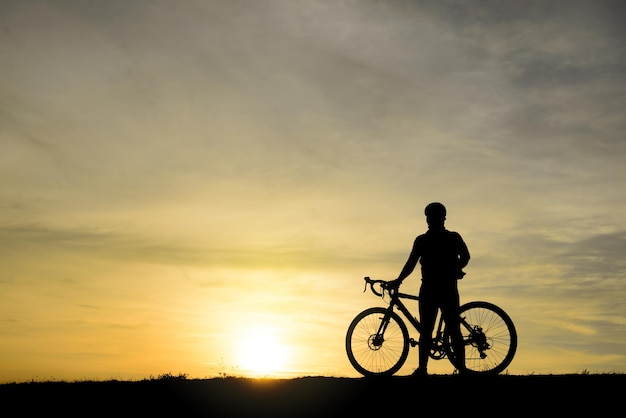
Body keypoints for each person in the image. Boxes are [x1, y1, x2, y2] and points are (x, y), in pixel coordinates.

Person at [389, 202, 470, 376]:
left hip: (438, 288)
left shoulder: (434, 239)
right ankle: (428, 368)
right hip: (436, 288)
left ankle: (435, 369)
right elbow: (411, 263)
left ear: (441, 218)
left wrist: (455, 268)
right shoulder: (426, 240)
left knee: (441, 329)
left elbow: (465, 257)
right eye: (428, 216)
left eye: (432, 216)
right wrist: (399, 280)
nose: (429, 220)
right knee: (432, 329)